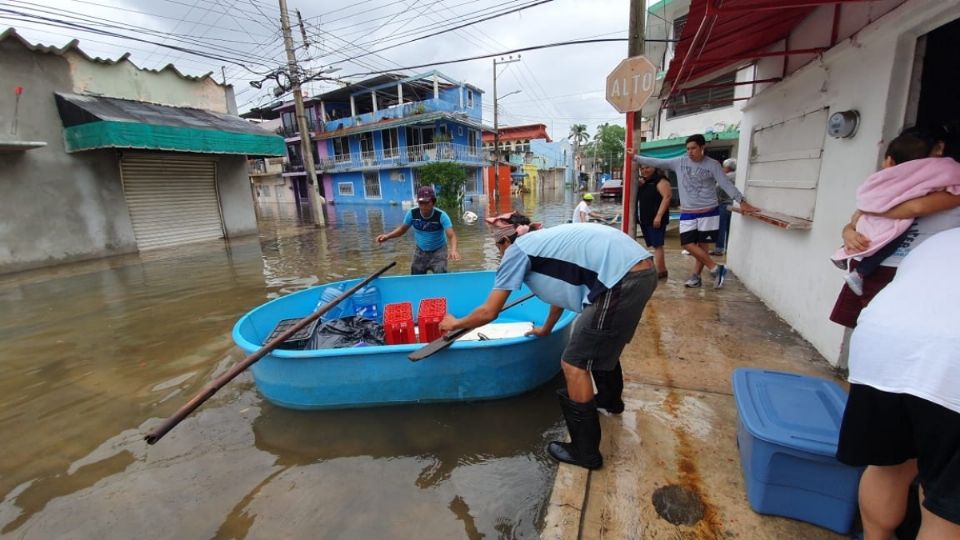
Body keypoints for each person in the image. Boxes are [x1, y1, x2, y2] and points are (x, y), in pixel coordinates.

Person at [438, 216, 657, 470]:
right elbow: (561, 293)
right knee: (599, 341)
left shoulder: (516, 251)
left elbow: (489, 312)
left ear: (506, 241)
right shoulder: (542, 243)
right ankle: (609, 401)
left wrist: (455, 323)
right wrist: (546, 329)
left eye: (498, 247)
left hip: (622, 277)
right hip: (640, 269)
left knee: (574, 363)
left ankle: (584, 452)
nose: (500, 254)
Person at [835, 227, 960, 540]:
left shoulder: (941, 238)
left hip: (880, 348)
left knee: (889, 465)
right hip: (950, 365)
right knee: (946, 506)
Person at [830, 132, 960, 296]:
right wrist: (847, 233)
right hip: (870, 266)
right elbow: (856, 219)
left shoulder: (950, 194)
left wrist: (876, 208)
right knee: (861, 320)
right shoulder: (892, 189)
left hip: (911, 272)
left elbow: (915, 208)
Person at [629, 134, 758, 289]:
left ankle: (696, 277)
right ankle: (716, 268)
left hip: (709, 210)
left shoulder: (712, 165)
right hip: (688, 211)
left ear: (702, 148)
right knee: (687, 244)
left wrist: (742, 202)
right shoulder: (679, 162)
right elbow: (658, 162)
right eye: (688, 148)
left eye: (694, 148)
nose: (690, 152)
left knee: (702, 246)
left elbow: (725, 184)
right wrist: (635, 157)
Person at [376, 186, 460, 274]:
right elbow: (402, 229)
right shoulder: (412, 213)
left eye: (426, 203)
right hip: (420, 250)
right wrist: (387, 237)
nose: (423, 206)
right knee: (416, 275)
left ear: (433, 202)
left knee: (440, 274)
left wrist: (453, 250)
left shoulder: (441, 215)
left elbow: (451, 235)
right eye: (421, 203)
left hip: (439, 250)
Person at [636, 165, 671, 279]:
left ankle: (661, 271)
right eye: (642, 168)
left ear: (655, 168)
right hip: (645, 219)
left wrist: (659, 216)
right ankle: (661, 269)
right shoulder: (644, 182)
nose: (644, 170)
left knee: (657, 245)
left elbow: (667, 197)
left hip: (655, 219)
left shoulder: (661, 180)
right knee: (653, 244)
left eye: (647, 167)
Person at [711, 158, 736, 256]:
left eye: (723, 166)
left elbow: (717, 188)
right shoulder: (738, 176)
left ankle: (719, 249)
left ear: (728, 167)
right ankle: (730, 249)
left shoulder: (726, 177)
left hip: (724, 204)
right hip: (734, 205)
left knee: (721, 227)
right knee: (731, 228)